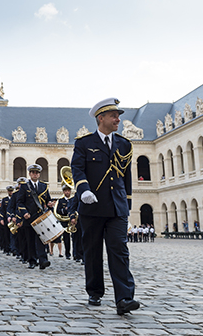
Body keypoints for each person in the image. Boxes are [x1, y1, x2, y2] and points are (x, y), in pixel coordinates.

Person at [71, 97, 139, 315]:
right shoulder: (84, 143)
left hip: (117, 207)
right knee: (92, 251)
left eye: (118, 116)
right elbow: (77, 169)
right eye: (114, 115)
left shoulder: (124, 144)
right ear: (101, 118)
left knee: (119, 249)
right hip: (91, 206)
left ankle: (125, 297)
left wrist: (127, 204)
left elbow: (126, 176)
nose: (118, 119)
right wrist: (84, 190)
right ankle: (95, 290)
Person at [16, 163, 53, 269]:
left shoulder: (44, 186)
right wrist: (24, 213)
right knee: (30, 240)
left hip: (40, 217)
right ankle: (32, 261)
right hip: (29, 217)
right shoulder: (24, 186)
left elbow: (48, 199)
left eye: (37, 173)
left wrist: (50, 203)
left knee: (41, 239)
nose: (35, 174)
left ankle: (43, 260)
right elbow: (20, 202)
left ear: (39, 174)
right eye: (33, 173)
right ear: (30, 174)